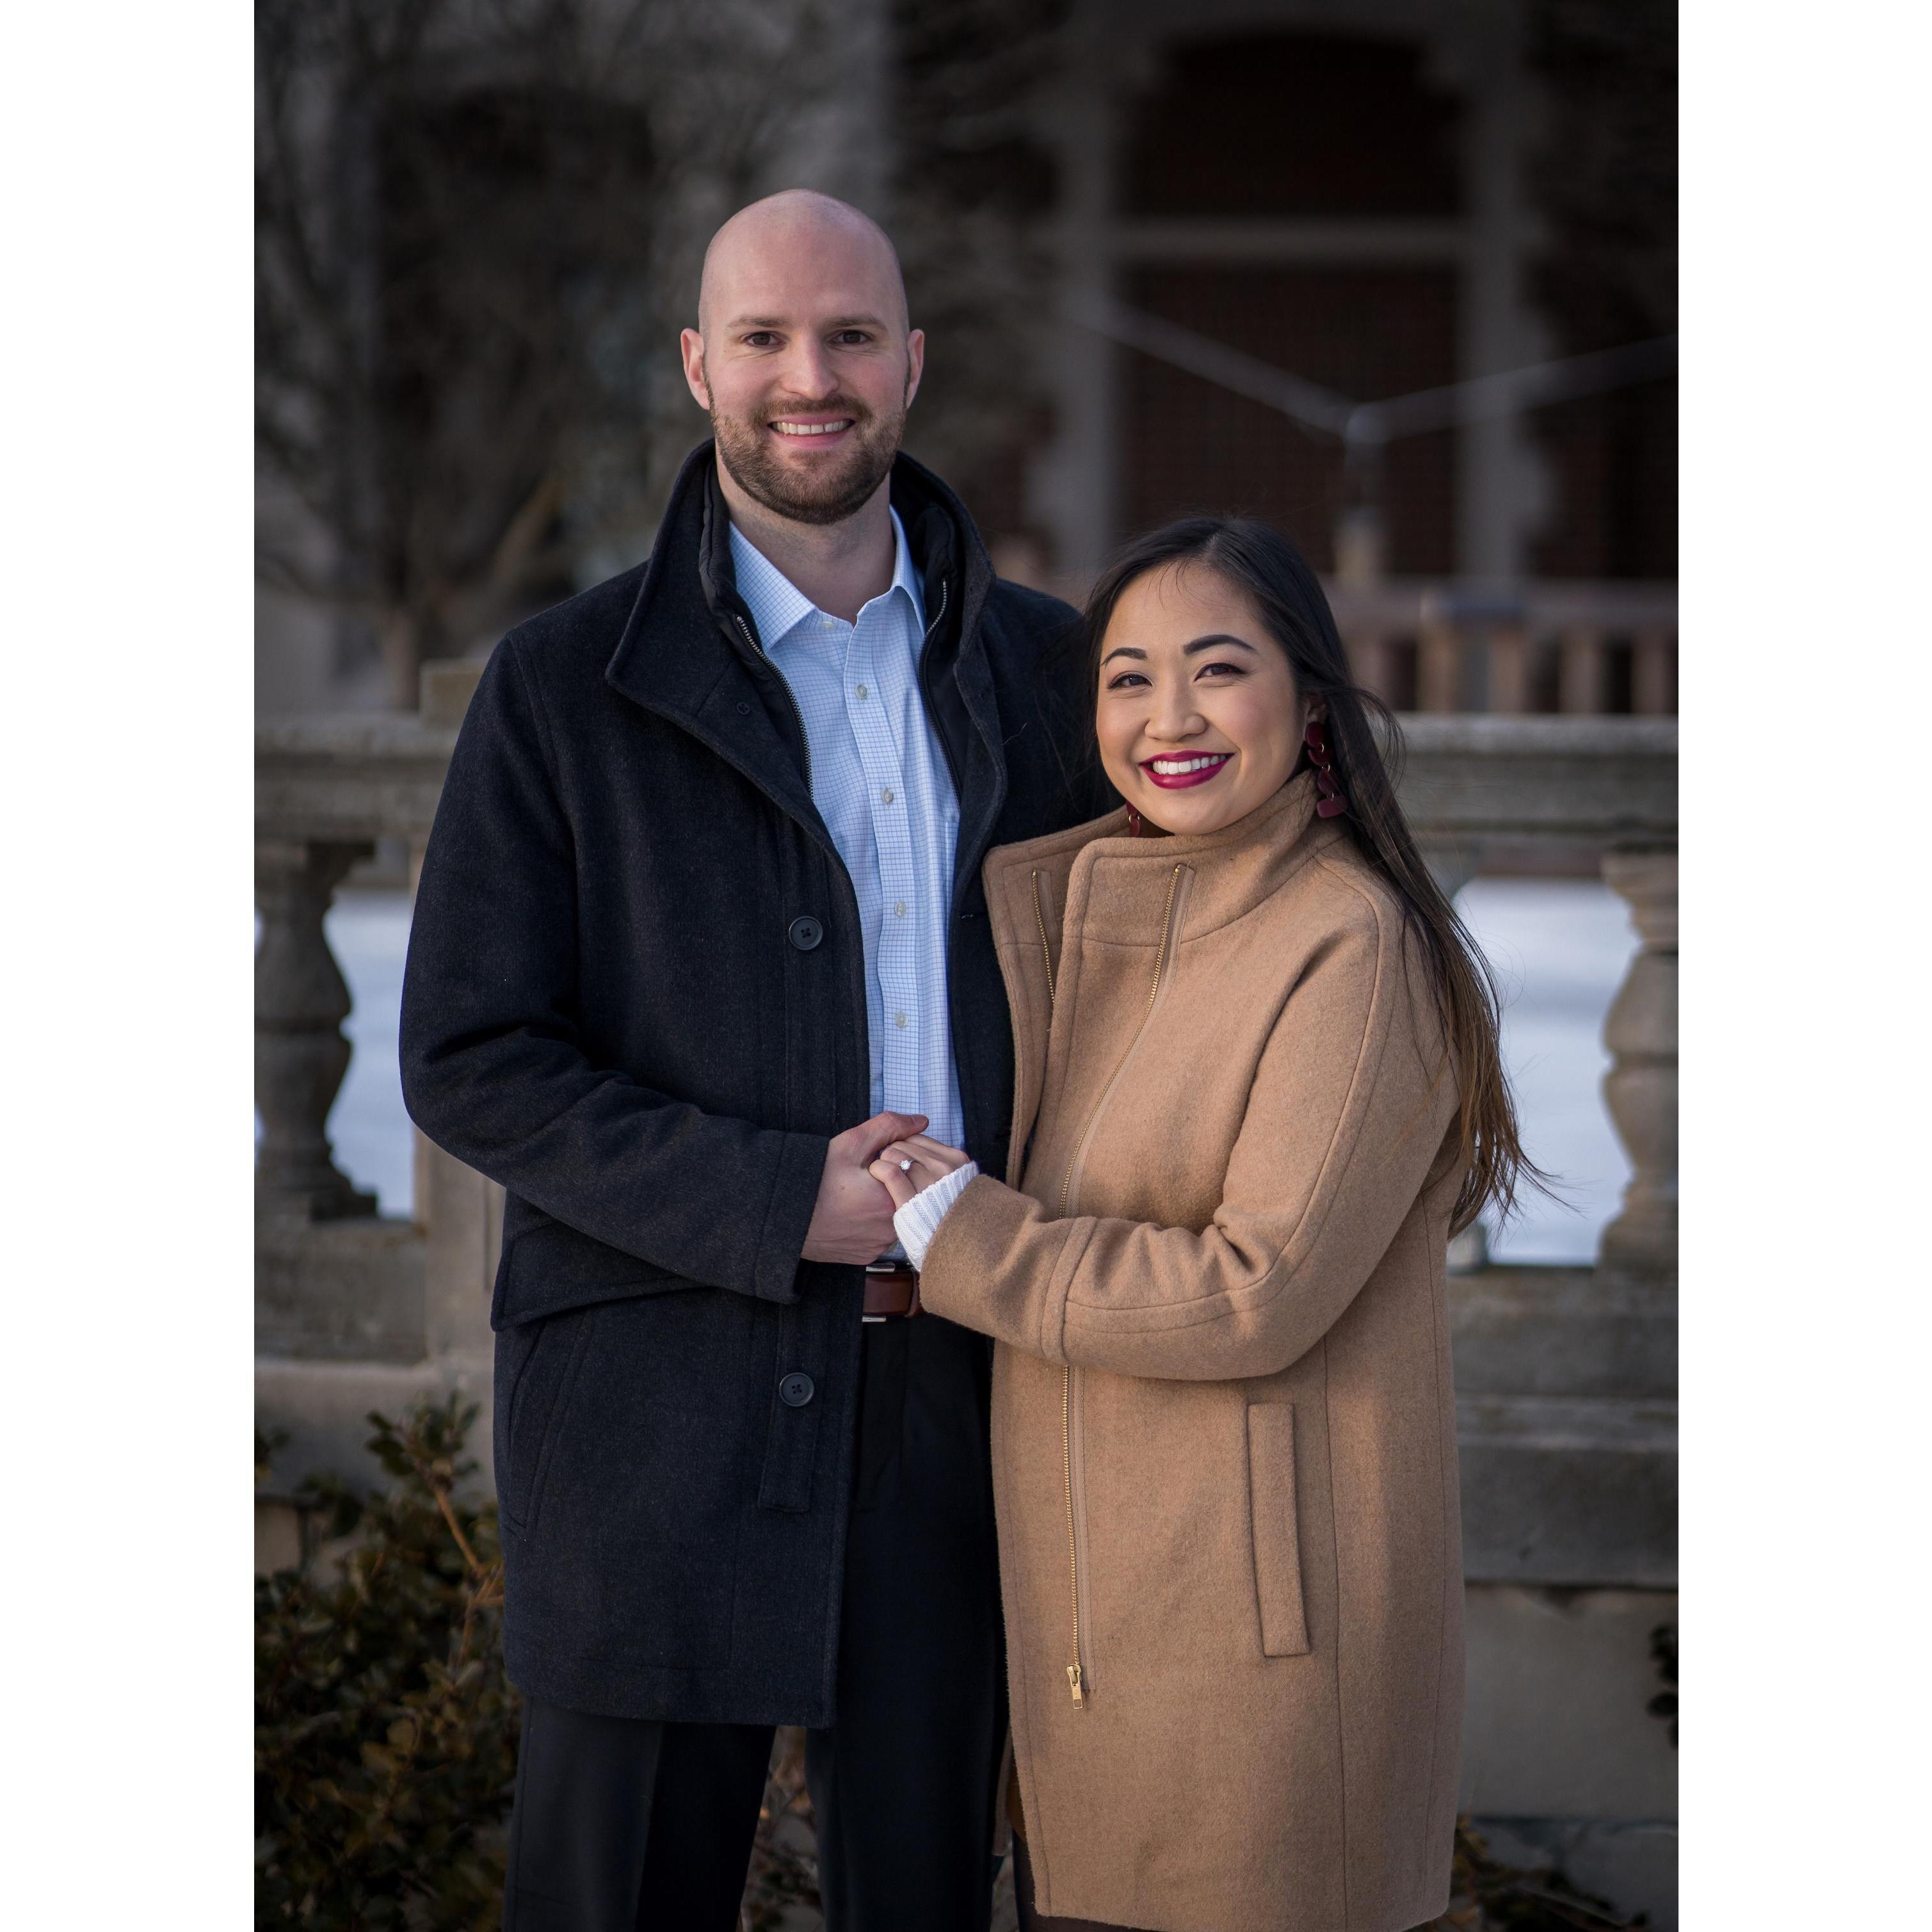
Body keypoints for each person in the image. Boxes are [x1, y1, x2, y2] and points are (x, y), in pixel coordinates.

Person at [399, 190, 1102, 1931]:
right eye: (769, 339)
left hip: (971, 1390)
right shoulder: (563, 686)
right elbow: (471, 1053)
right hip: (655, 1396)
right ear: (700, 365)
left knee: (930, 1891)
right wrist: (782, 1193)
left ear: (912, 366)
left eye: (852, 336)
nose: (813, 376)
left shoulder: (1052, 671)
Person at [868, 517, 1534, 1932]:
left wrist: (965, 1237)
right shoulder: (1098, 926)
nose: (1168, 717)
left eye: (1217, 670)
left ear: (1307, 705)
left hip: (1261, 1681)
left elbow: (1257, 1290)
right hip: (1099, 1655)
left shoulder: (1349, 948)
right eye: (1126, 678)